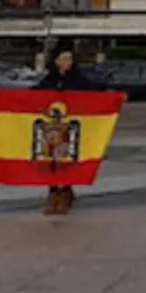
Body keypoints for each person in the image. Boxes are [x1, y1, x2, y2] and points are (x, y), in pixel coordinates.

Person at [33, 41, 102, 215]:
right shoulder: (49, 80)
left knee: (67, 160)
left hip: (71, 132)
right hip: (51, 131)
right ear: (56, 61)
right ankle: (53, 192)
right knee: (51, 161)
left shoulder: (79, 80)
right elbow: (34, 94)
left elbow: (95, 94)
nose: (67, 62)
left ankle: (65, 192)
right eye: (63, 59)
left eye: (69, 59)